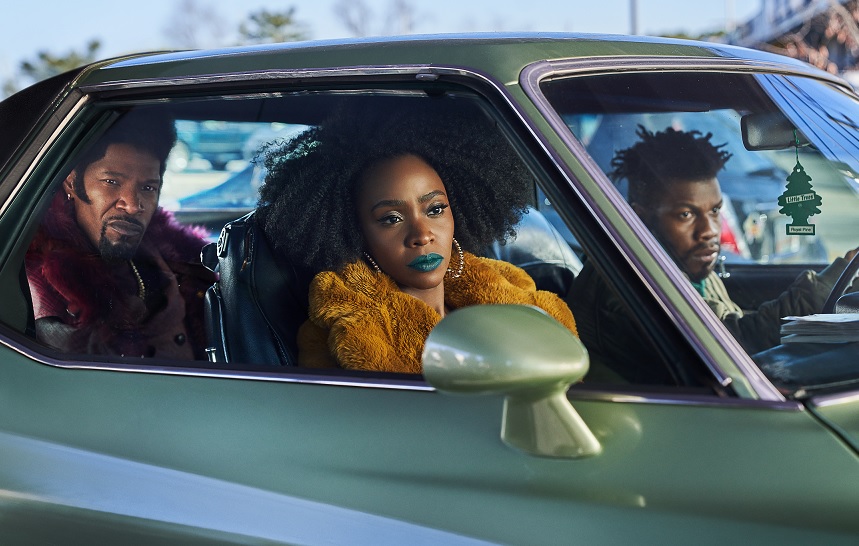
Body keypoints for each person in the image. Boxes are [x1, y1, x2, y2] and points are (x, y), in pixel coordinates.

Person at [256, 105, 578, 373]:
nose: (422, 235)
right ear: (355, 231)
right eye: (391, 219)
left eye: (435, 209)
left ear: (459, 210)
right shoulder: (337, 333)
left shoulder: (511, 288)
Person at [571, 126, 855, 379]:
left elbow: (727, 319)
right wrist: (830, 282)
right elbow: (735, 343)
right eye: (686, 214)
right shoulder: (626, 285)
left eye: (715, 210)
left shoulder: (678, 263)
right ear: (640, 218)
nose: (709, 230)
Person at [25, 109, 216, 359]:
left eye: (148, 187)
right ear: (72, 182)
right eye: (112, 182)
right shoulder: (42, 273)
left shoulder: (171, 251)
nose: (133, 205)